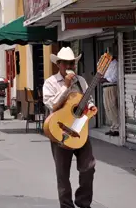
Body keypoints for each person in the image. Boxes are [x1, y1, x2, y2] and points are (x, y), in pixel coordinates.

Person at [43, 47, 97, 208]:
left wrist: (92, 107)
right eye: (65, 63)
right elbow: (52, 105)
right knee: (63, 173)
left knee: (89, 167)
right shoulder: (51, 83)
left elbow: (88, 99)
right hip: (60, 131)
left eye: (71, 63)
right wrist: (65, 87)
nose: (68, 66)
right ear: (58, 64)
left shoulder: (80, 81)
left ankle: (83, 202)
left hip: (80, 130)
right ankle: (66, 205)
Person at [100, 48, 119, 136]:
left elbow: (114, 78)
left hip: (111, 87)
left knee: (112, 107)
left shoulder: (116, 64)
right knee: (107, 108)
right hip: (105, 87)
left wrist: (104, 79)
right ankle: (112, 127)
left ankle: (117, 128)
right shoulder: (108, 64)